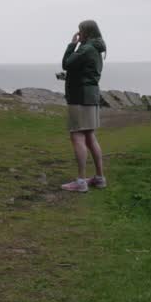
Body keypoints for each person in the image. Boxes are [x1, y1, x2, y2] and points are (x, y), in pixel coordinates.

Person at [60, 20, 106, 192]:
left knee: (77, 137)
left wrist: (72, 45)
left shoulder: (85, 49)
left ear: (86, 32)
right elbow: (83, 71)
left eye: (80, 31)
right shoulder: (96, 49)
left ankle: (80, 181)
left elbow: (67, 63)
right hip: (91, 96)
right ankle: (99, 178)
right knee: (89, 136)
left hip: (79, 97)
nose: (78, 34)